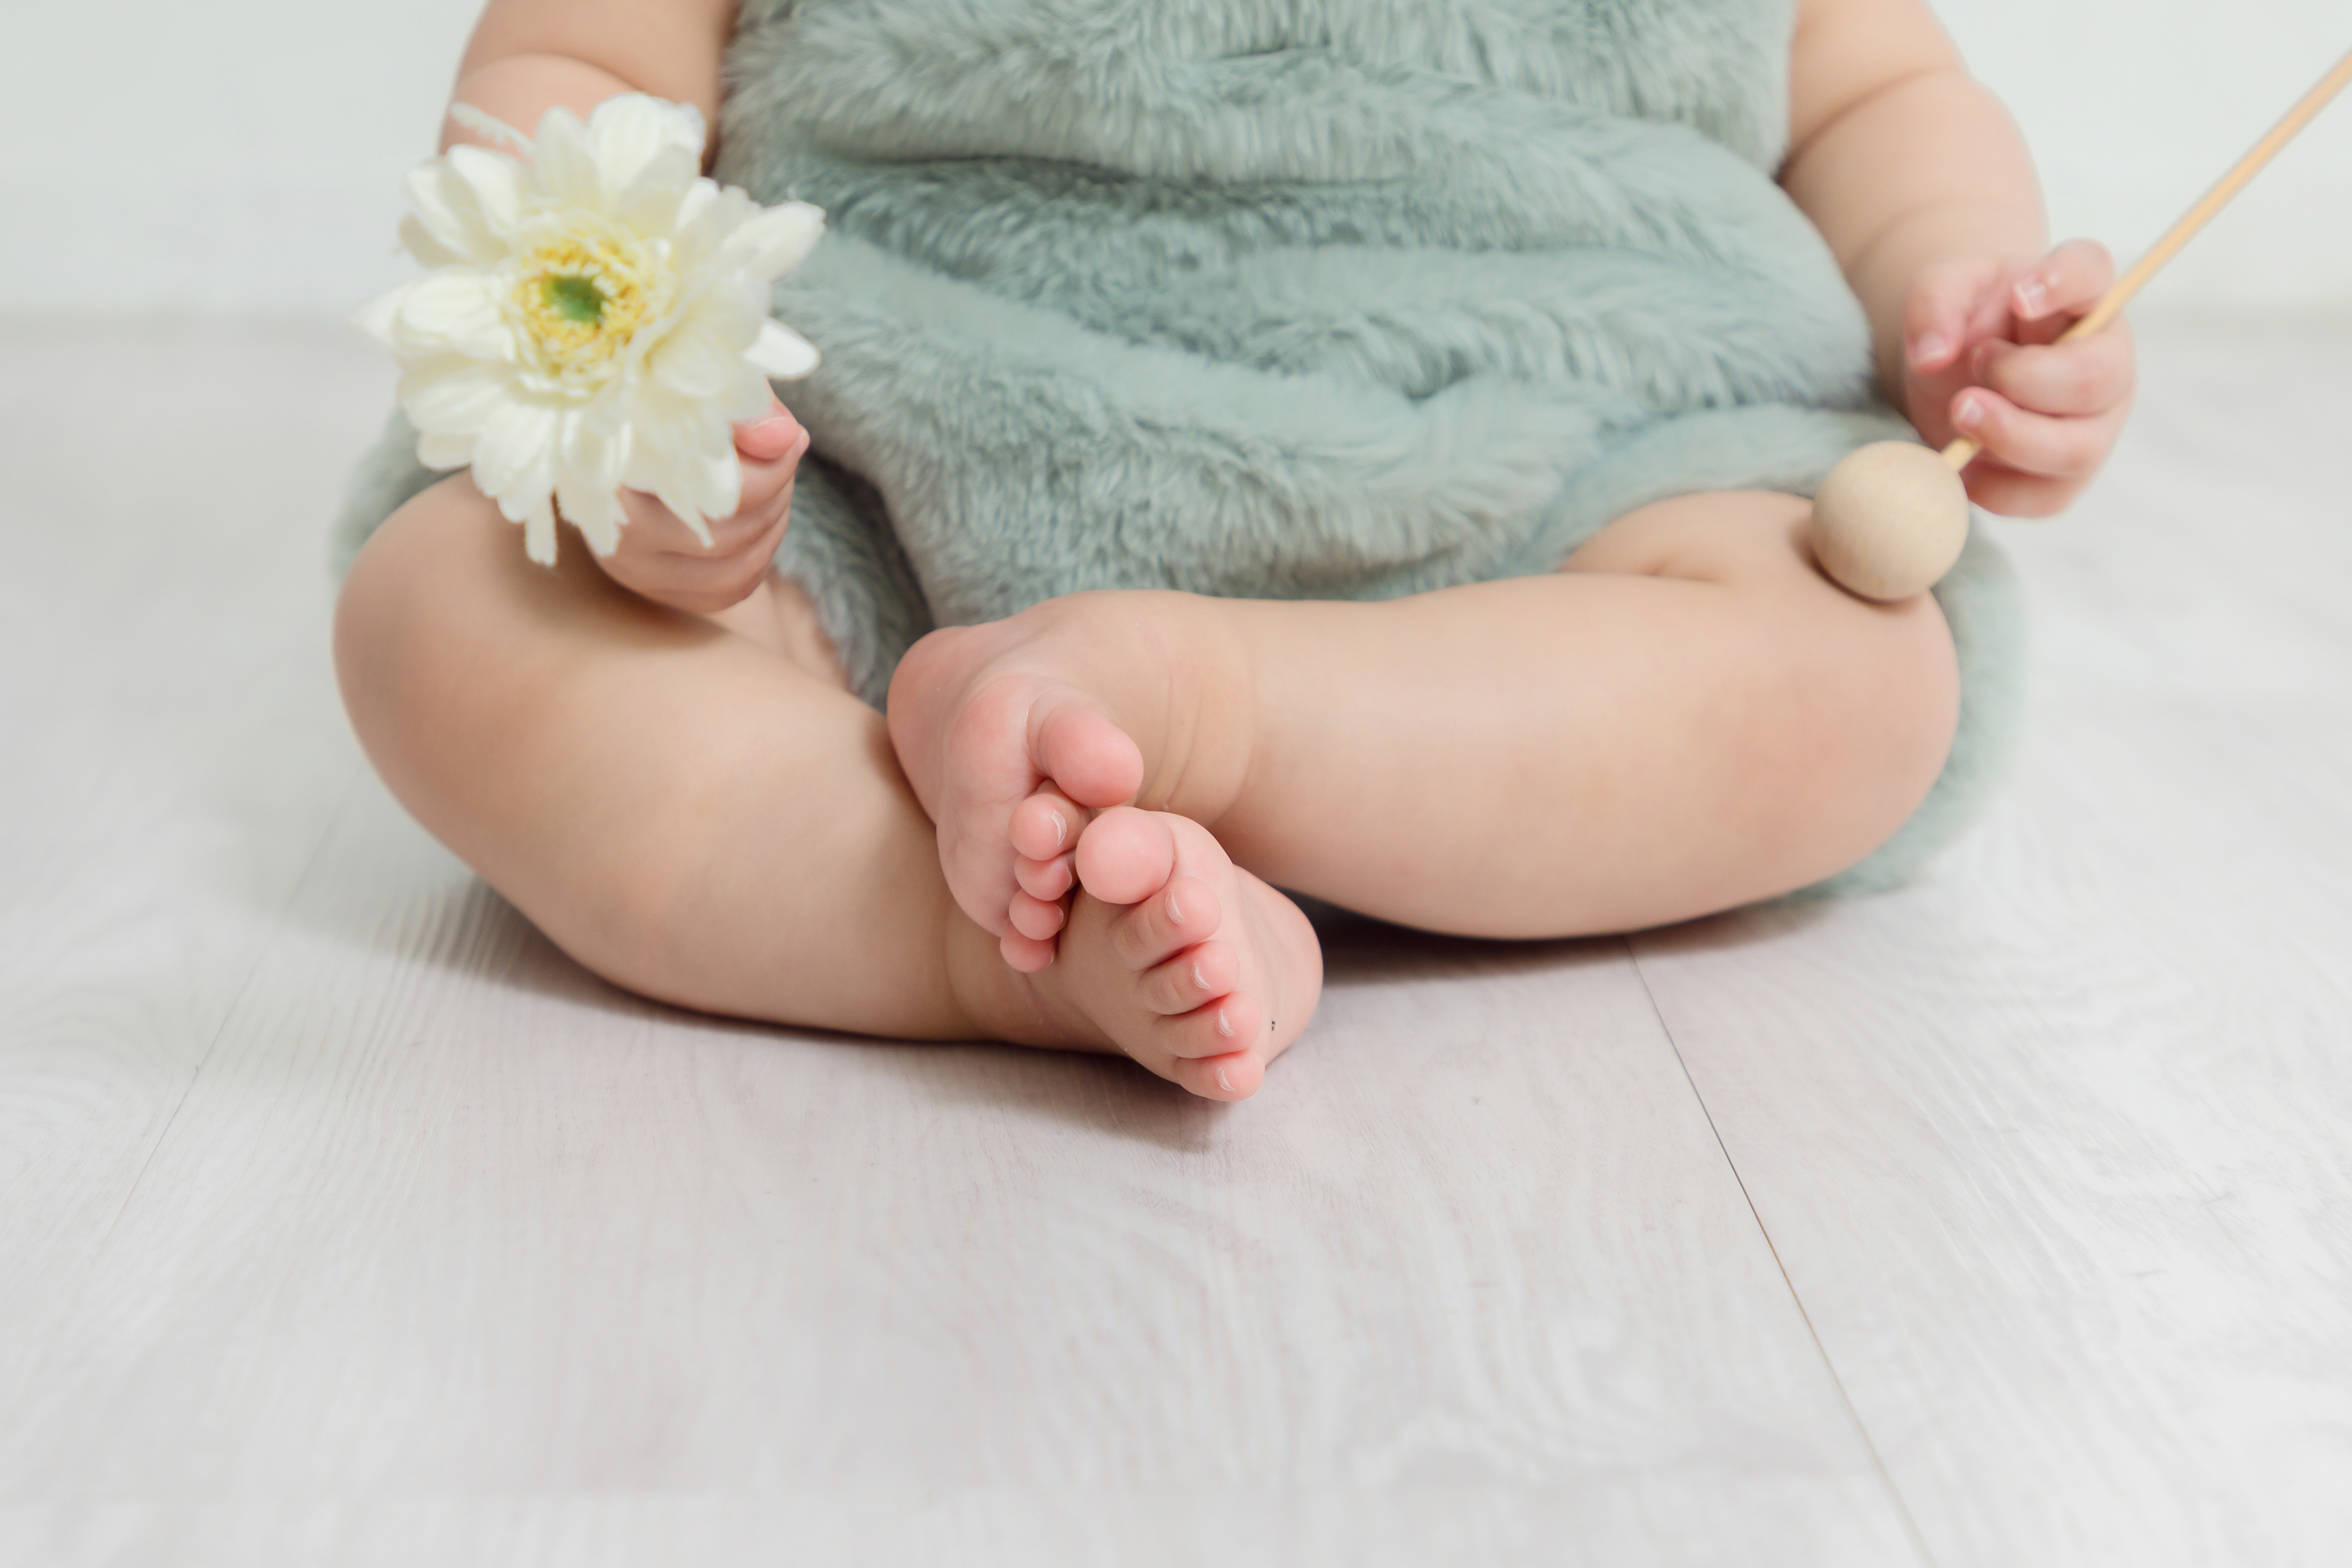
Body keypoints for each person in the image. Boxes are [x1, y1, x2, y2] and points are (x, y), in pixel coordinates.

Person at [334, 0, 2135, 1100]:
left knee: (1852, 662)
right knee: (449, 612)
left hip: (1569, 455)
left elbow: (1869, 84)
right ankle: (984, 930)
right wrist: (637, 419)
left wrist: (1957, 289)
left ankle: (1217, 713)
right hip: (894, 430)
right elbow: (586, 61)